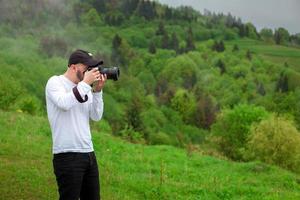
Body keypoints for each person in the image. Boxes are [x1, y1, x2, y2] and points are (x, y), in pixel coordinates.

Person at [45, 49, 107, 200]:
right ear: (73, 67)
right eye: (87, 67)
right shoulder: (55, 82)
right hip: (67, 155)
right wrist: (86, 83)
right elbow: (64, 103)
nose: (90, 71)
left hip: (88, 153)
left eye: (91, 67)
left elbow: (96, 116)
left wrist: (97, 91)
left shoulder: (84, 87)